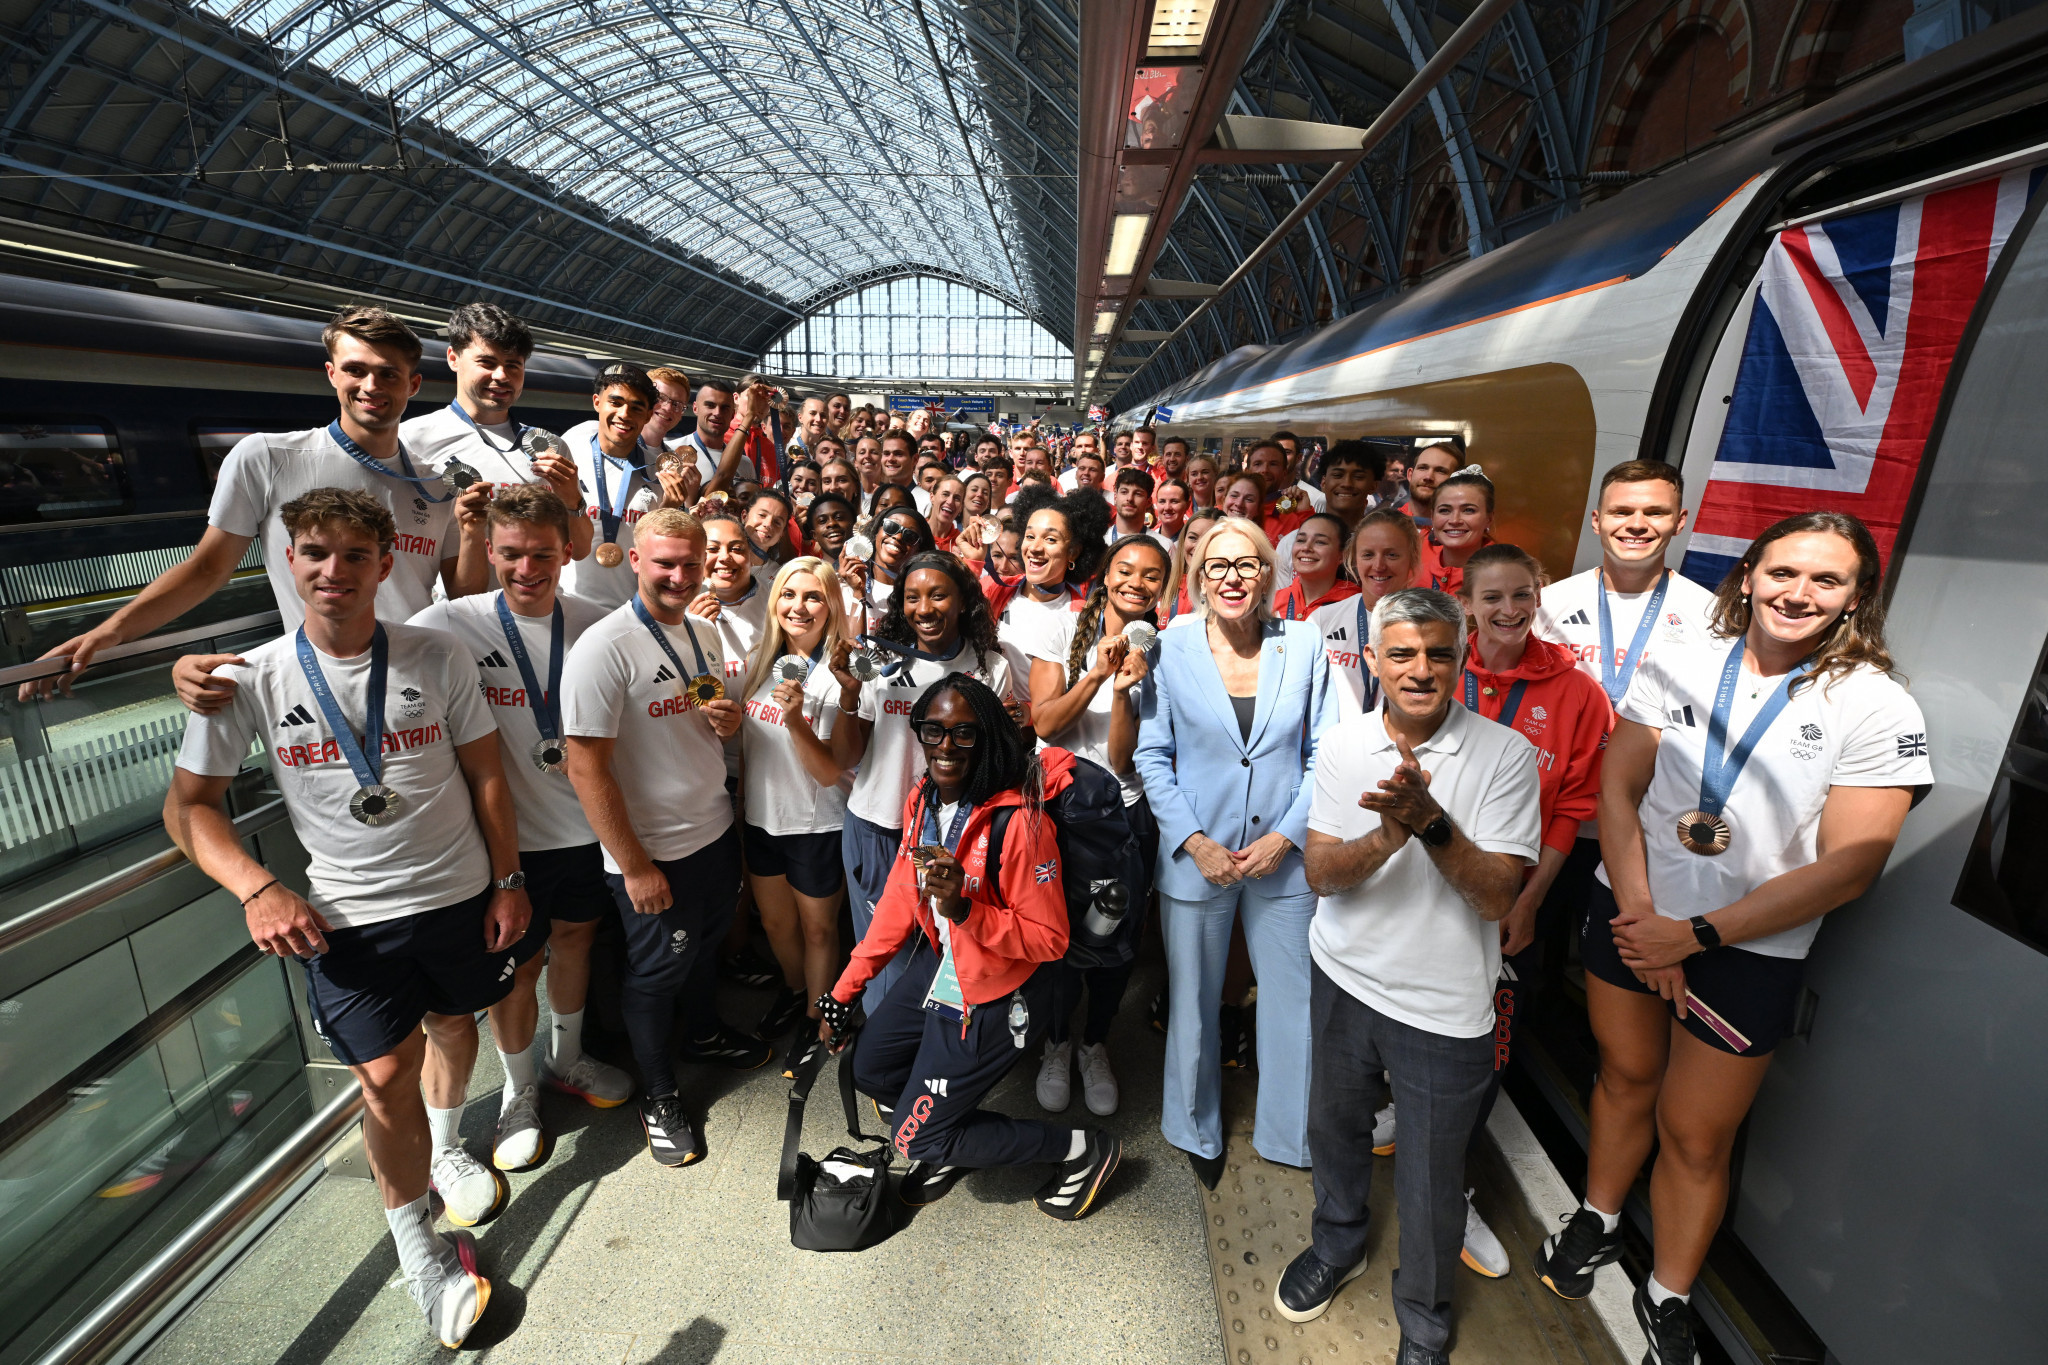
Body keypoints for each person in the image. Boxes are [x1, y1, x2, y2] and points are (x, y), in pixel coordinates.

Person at [1537, 512, 1930, 1365]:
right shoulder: (1679, 657)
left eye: (1827, 580)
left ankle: (1668, 1292)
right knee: (1625, 1074)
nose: (1799, 593)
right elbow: (1620, 786)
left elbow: (1848, 867)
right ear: (1748, 574)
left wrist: (1696, 935)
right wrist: (1644, 919)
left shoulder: (1874, 702)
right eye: (1784, 571)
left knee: (1695, 1134)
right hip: (1633, 916)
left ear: (1857, 596)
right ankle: (1598, 1216)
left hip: (1747, 949)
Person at [165, 488, 529, 1348]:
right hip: (346, 920)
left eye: (355, 556)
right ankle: (422, 1254)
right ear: (288, 561)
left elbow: (486, 776)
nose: (335, 571)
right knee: (382, 1075)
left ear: (384, 564)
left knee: (451, 1027)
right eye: (316, 553)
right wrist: (258, 887)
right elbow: (189, 810)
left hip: (459, 895)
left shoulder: (436, 656)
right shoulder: (248, 678)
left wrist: (509, 879)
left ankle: (446, 1150)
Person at [1287, 588, 1538, 1361]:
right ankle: (1338, 1244)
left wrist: (1430, 822)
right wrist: (1390, 833)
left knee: (1432, 1177)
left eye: (1437, 652)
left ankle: (1424, 1319)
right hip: (1343, 978)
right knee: (1335, 1129)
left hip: (1444, 1006)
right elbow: (1324, 874)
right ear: (1372, 660)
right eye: (1401, 652)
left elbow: (1497, 893)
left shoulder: (1505, 754)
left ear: (1461, 659)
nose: (1420, 668)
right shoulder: (1342, 746)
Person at [29, 306, 490, 702]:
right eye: (355, 369)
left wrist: (472, 535)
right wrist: (108, 634)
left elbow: (463, 599)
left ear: (413, 384)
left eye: (389, 373)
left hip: (421, 679)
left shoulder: (436, 482)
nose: (372, 385)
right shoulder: (267, 457)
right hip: (319, 685)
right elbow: (208, 569)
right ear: (332, 374)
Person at [818, 674, 1122, 1217]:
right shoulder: (923, 800)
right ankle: (946, 1123)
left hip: (996, 994)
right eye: (933, 732)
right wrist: (842, 994)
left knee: (913, 1143)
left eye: (964, 733)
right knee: (870, 1069)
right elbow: (895, 903)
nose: (946, 747)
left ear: (987, 738)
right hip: (946, 967)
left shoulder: (1021, 824)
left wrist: (965, 910)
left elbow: (1050, 941)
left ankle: (1082, 1149)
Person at [408, 484, 636, 1176]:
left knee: (574, 944)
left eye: (542, 552)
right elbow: (353, 645)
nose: (527, 567)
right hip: (504, 845)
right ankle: (518, 1092)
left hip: (582, 832)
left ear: (567, 552)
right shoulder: (449, 622)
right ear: (491, 549)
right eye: (510, 553)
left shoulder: (600, 620)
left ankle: (565, 1060)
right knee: (518, 969)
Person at [562, 508, 769, 1169]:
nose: (679, 575)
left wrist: (727, 718)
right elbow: (584, 764)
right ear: (635, 561)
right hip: (652, 853)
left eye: (689, 562)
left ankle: (704, 1032)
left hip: (710, 833)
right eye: (664, 563)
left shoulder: (703, 631)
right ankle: (659, 1094)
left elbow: (703, 713)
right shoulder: (603, 646)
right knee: (653, 976)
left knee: (704, 950)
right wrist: (634, 865)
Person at [1134, 517, 1338, 1186]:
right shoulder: (1169, 647)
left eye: (1246, 565)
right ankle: (1194, 1124)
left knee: (1293, 999)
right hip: (1200, 855)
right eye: (1217, 566)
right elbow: (1152, 756)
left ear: (1268, 576)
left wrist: (1288, 834)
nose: (1232, 578)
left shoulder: (1305, 645)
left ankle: (1290, 1132)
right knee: (1192, 999)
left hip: (1283, 854)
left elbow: (1324, 752)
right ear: (1196, 578)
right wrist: (1193, 841)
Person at [828, 552, 1012, 1005]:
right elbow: (847, 755)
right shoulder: (878, 663)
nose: (924, 609)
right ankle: (880, 1054)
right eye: (912, 598)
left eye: (938, 595)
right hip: (880, 824)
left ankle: (927, 1046)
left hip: (951, 834)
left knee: (943, 943)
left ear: (964, 601)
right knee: (882, 950)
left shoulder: (990, 668)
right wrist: (849, 698)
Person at [1028, 534, 1170, 1116]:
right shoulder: (1060, 628)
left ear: (1166, 585)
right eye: (1126, 570)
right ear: (1105, 574)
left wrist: (1122, 693)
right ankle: (1057, 1045)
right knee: (1059, 937)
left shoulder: (1171, 647)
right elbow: (1043, 723)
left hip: (1127, 812)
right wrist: (1094, 675)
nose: (1137, 582)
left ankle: (1095, 1044)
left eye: (1153, 575)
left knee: (1116, 937)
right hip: (1061, 806)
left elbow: (1119, 761)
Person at [738, 556, 854, 1069]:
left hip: (817, 824)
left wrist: (796, 722)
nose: (798, 607)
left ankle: (815, 1014)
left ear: (831, 606)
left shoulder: (838, 676)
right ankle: (793, 990)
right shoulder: (761, 661)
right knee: (777, 926)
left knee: (818, 932)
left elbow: (830, 772)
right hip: (762, 819)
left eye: (812, 597)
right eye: (789, 594)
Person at [400, 303, 594, 562]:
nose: (501, 376)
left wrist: (572, 499)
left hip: (536, 596)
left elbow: (579, 550)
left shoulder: (551, 446)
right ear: (453, 358)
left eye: (513, 365)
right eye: (487, 362)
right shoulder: (412, 439)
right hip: (455, 601)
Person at [562, 366, 694, 609]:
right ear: (597, 402)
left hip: (626, 608)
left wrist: (669, 509)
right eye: (616, 402)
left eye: (636, 408)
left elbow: (657, 551)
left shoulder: (659, 471)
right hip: (566, 602)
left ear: (646, 415)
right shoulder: (572, 444)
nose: (624, 414)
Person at [1309, 509, 1421, 717]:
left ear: (1412, 559)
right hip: (1334, 746)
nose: (1378, 566)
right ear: (1354, 558)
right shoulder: (1321, 620)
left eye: (1392, 555)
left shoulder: (1429, 627)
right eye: (1368, 555)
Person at [996, 487, 1112, 685]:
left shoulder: (1081, 617)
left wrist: (1028, 712)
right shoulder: (997, 588)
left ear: (1073, 552)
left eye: (1050, 539)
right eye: (1030, 536)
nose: (1035, 548)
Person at [1275, 441, 1382, 588]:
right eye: (1338, 475)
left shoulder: (1379, 545)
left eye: (1358, 477)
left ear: (1373, 486)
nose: (1346, 483)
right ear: (1323, 483)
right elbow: (1279, 605)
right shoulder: (1291, 543)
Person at [1419, 467, 1495, 595]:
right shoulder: (1413, 576)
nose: (1455, 520)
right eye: (1444, 510)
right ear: (1432, 517)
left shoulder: (1512, 573)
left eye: (1468, 510)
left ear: (1489, 518)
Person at [1272, 513, 1358, 620]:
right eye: (1301, 540)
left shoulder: (1356, 605)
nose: (1306, 547)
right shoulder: (1272, 603)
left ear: (1342, 556)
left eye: (1320, 542)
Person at [1163, 508, 1222, 623]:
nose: (1198, 547)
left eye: (1208, 540)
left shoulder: (1227, 591)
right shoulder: (1164, 584)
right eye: (1192, 538)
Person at [1400, 443, 1462, 527]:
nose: (1428, 477)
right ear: (1410, 475)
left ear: (1456, 481)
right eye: (1423, 468)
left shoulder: (1460, 533)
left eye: (1441, 471)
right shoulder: (1385, 523)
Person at [1110, 467, 1164, 547]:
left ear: (1148, 502)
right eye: (1124, 492)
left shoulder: (1163, 545)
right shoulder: (1098, 541)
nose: (1130, 498)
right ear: (1115, 497)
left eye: (1138, 494)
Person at [929, 474, 966, 552]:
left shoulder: (962, 544)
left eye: (957, 498)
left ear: (961, 507)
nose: (950, 502)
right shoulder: (916, 532)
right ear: (932, 497)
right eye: (945, 494)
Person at [1152, 477, 1192, 546]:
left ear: (1187, 505)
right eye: (1162, 501)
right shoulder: (1148, 540)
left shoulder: (1193, 542)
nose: (1167, 507)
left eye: (1174, 501)